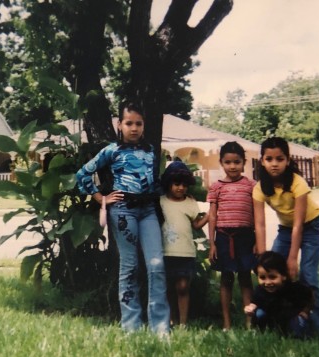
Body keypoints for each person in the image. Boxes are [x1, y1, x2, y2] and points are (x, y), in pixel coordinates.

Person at [75, 100, 170, 336]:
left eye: (139, 123)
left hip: (148, 211)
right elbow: (83, 173)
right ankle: (132, 327)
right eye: (129, 123)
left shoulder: (150, 150)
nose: (134, 128)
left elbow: (153, 181)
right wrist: (100, 197)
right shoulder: (112, 151)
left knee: (156, 265)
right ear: (120, 124)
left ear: (144, 125)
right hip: (123, 211)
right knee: (130, 266)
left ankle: (160, 328)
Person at [252, 136, 319, 332]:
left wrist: (293, 258)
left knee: (307, 276)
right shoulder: (260, 188)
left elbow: (299, 225)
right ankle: (280, 321)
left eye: (280, 159)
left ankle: (315, 327)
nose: (274, 164)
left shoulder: (297, 183)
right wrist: (261, 257)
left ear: (288, 160)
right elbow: (259, 224)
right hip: (285, 229)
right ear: (262, 161)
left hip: (312, 227)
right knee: (274, 271)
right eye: (269, 159)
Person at [207, 141, 257, 330]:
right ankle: (226, 323)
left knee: (245, 278)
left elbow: (257, 214)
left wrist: (257, 241)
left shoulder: (252, 186)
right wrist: (212, 243)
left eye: (237, 162)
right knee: (226, 279)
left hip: (245, 237)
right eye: (228, 162)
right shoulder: (216, 187)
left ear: (244, 162)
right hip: (223, 237)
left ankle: (249, 322)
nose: (232, 166)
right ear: (221, 163)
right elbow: (212, 216)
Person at [159, 161, 209, 328]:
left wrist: (210, 214)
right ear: (168, 183)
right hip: (166, 252)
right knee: (169, 288)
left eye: (184, 185)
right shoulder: (160, 202)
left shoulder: (190, 203)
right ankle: (171, 319)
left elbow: (196, 225)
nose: (180, 188)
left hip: (185, 253)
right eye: (176, 184)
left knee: (183, 287)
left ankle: (183, 322)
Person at [244, 251, 314, 338]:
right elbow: (255, 302)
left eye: (272, 277)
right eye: (262, 277)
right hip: (274, 318)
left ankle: (299, 337)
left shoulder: (293, 288)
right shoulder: (260, 290)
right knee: (259, 313)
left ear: (284, 276)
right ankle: (261, 332)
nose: (267, 282)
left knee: (297, 322)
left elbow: (309, 296)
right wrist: (250, 308)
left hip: (292, 318)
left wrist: (305, 312)